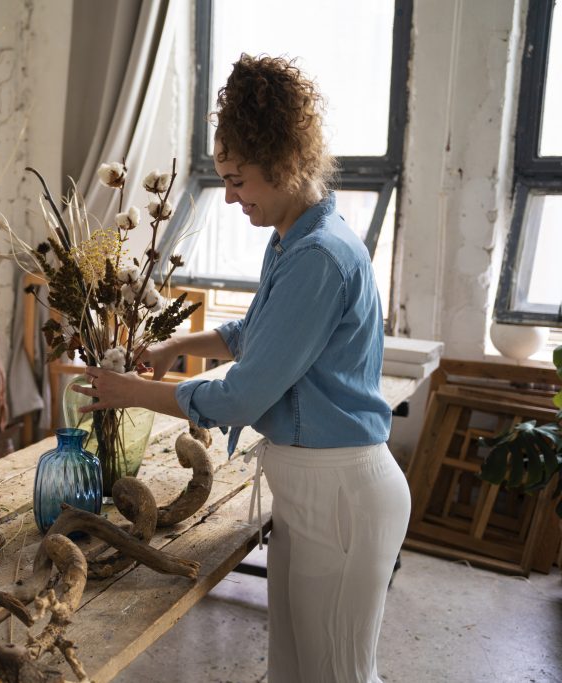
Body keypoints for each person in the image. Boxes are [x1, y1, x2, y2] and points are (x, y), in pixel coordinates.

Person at [76, 54, 409, 682]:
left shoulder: (318, 258)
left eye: (238, 180)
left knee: (335, 674)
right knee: (293, 669)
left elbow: (242, 397)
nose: (229, 196)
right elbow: (257, 332)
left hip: (341, 494)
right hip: (315, 488)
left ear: (284, 163)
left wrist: (135, 391)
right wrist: (180, 347)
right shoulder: (295, 239)